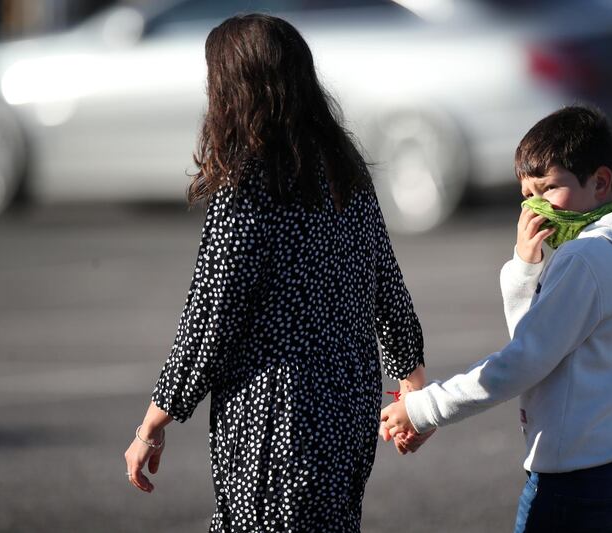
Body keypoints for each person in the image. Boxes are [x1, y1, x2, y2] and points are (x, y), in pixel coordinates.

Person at [123, 14, 427, 533]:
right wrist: (413, 385)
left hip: (276, 411)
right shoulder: (342, 171)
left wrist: (154, 422)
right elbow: (387, 285)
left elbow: (210, 317)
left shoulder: (248, 187)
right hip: (348, 400)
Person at [380, 105, 612, 532]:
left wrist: (423, 409)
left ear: (600, 183)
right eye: (527, 196)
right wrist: (526, 269)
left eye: (549, 190)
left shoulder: (585, 257)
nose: (537, 210)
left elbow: (525, 361)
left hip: (585, 482)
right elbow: (541, 345)